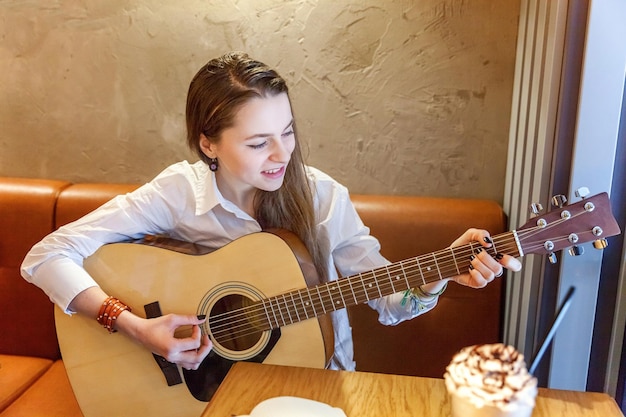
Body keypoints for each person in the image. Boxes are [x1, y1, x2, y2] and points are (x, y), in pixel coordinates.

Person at [21, 51, 521, 373]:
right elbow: (46, 256)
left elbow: (389, 303)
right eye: (260, 142)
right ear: (208, 144)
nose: (282, 154)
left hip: (315, 379)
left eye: (287, 132)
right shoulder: (178, 193)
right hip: (206, 385)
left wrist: (438, 274)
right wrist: (133, 325)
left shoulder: (323, 199)